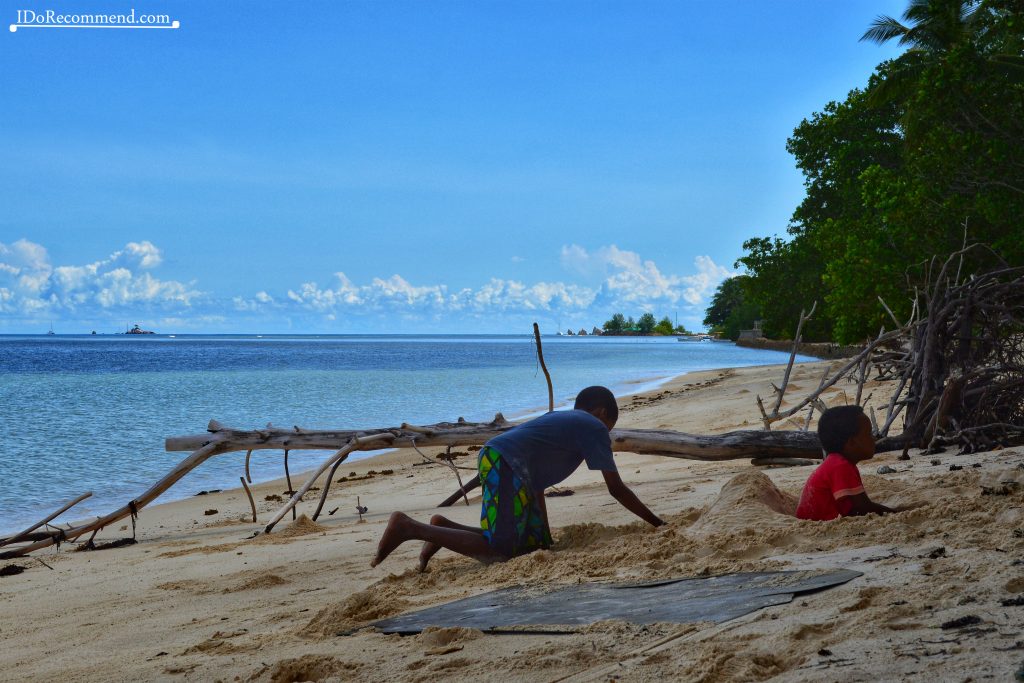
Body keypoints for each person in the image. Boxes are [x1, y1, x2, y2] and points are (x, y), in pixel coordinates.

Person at [371, 385, 665, 570]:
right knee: (499, 550)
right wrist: (659, 524)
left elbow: (536, 484)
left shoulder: (563, 422)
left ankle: (442, 526)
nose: (607, 434)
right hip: (505, 463)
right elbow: (616, 489)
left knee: (528, 545)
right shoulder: (592, 426)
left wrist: (544, 537)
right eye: (609, 426)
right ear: (600, 413)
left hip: (504, 460)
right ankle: (408, 527)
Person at [796, 405, 896, 520]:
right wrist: (896, 513)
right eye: (868, 434)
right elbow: (864, 507)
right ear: (851, 443)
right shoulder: (840, 466)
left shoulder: (838, 462)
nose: (873, 438)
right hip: (817, 524)